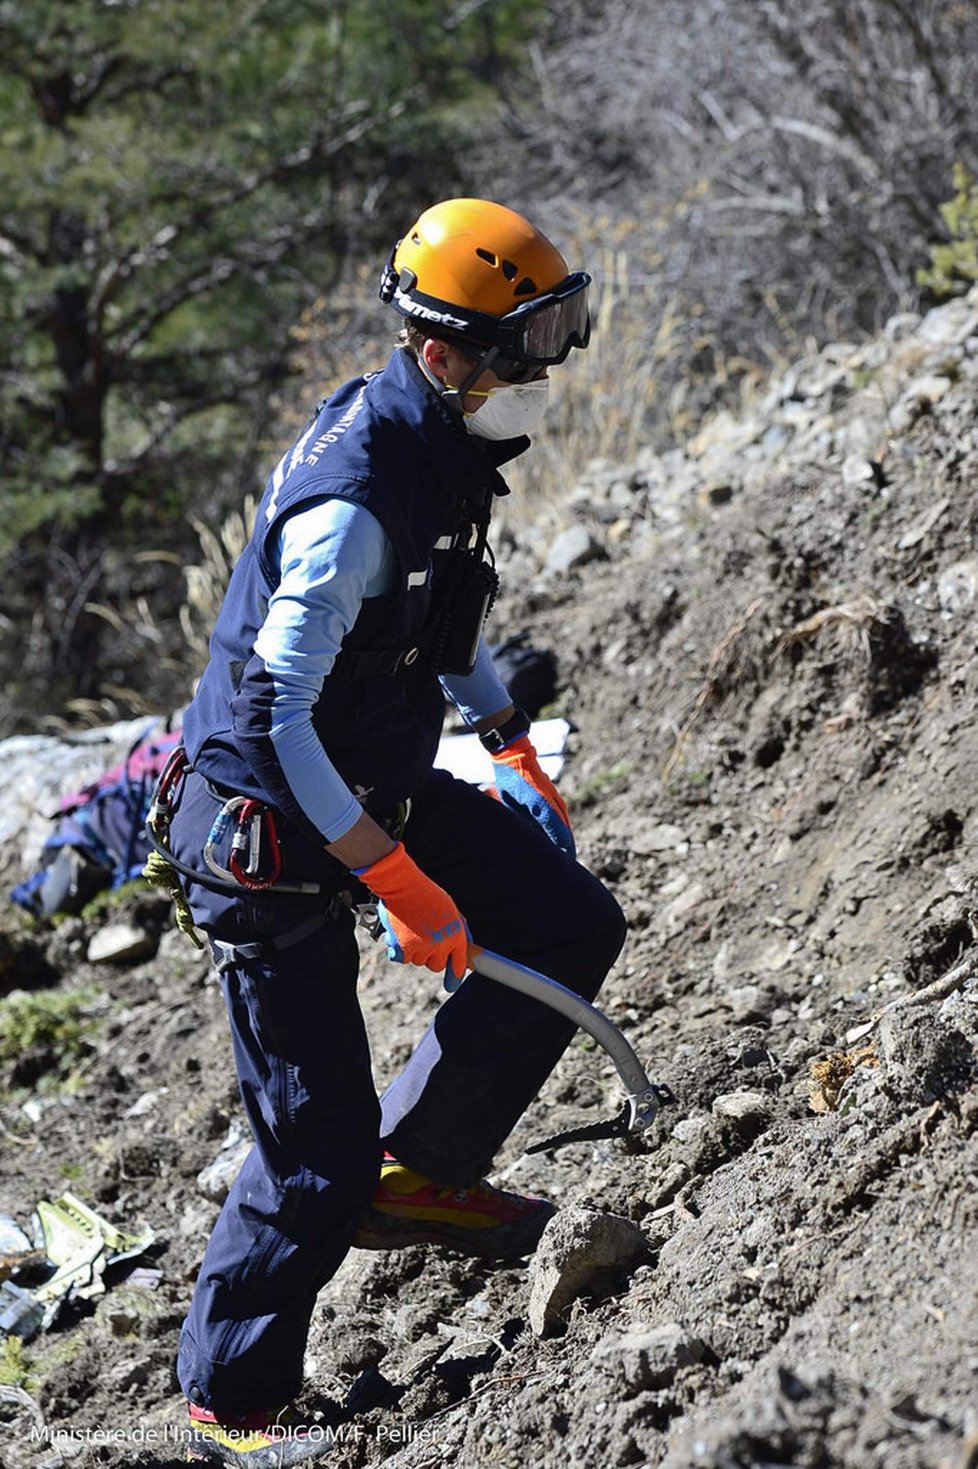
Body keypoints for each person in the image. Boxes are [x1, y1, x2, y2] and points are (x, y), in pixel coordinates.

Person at [153, 198, 627, 1466]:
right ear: (444, 353)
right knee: (312, 1149)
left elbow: (436, 622)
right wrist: (392, 876)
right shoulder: (354, 499)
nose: (548, 369)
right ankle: (229, 1408)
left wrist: (507, 738)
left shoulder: (445, 453)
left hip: (374, 781)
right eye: (529, 345)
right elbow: (275, 706)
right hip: (266, 830)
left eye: (554, 332)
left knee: (571, 917)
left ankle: (421, 1168)